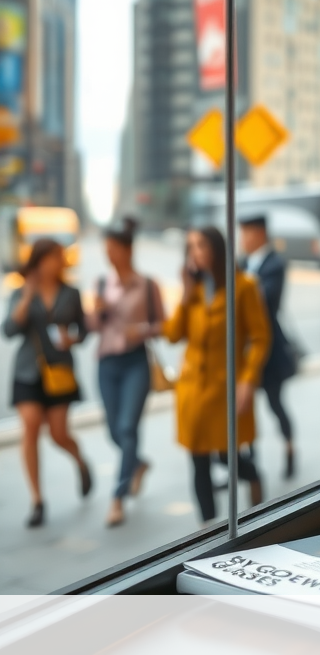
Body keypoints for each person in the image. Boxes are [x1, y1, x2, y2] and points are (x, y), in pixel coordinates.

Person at [164, 226, 270, 523]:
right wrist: (184, 295)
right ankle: (207, 530)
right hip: (193, 389)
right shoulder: (193, 290)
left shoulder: (243, 286)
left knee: (227, 456)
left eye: (200, 245)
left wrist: (248, 381)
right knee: (197, 460)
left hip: (227, 387)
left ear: (217, 249)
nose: (194, 252)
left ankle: (255, 477)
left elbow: (261, 338)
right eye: (190, 247)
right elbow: (173, 334)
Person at [3, 239, 91, 527]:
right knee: (29, 427)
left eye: (59, 258)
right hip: (27, 371)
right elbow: (10, 329)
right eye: (53, 257)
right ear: (39, 261)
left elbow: (84, 330)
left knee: (58, 434)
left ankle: (80, 460)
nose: (58, 262)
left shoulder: (71, 293)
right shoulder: (21, 292)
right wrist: (27, 297)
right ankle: (38, 500)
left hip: (59, 372)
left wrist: (72, 338)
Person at [89, 216, 164, 527]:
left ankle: (117, 498)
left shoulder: (147, 285)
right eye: (106, 248)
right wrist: (94, 312)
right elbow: (93, 327)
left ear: (127, 249)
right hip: (106, 363)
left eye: (113, 248)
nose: (108, 254)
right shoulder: (101, 283)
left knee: (128, 428)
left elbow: (163, 324)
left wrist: (142, 329)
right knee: (113, 430)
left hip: (135, 362)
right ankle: (138, 463)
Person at [238, 213, 298, 478]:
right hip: (245, 349)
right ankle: (249, 461)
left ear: (260, 234)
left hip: (270, 349)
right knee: (245, 405)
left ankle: (289, 447)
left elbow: (264, 301)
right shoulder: (241, 263)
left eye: (247, 233)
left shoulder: (275, 264)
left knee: (275, 403)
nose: (243, 239)